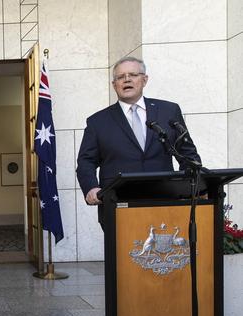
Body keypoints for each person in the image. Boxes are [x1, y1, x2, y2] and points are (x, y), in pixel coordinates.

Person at [76, 56, 201, 215]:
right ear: (114, 85)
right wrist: (91, 188)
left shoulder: (169, 111)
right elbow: (86, 161)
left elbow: (187, 153)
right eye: (120, 77)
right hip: (117, 204)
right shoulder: (97, 121)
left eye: (133, 75)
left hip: (165, 200)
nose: (126, 80)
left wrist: (188, 188)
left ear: (144, 79)